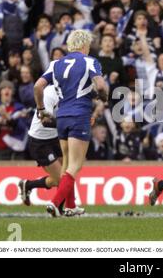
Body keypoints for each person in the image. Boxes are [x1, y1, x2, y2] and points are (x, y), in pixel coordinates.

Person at [34, 29, 108, 217]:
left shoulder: (55, 64)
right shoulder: (89, 61)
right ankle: (55, 202)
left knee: (67, 163)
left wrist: (41, 110)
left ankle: (70, 206)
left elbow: (38, 86)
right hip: (79, 115)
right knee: (75, 165)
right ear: (85, 45)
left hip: (62, 117)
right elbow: (100, 85)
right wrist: (103, 97)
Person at [18, 85, 65, 210]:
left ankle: (28, 185)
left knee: (63, 177)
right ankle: (58, 208)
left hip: (55, 137)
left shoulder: (72, 91)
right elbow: (45, 121)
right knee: (61, 179)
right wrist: (69, 124)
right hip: (40, 140)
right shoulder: (50, 93)